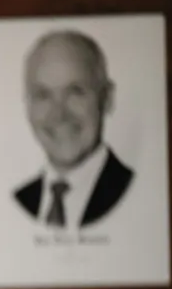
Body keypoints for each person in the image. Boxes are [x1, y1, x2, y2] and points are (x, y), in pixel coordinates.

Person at [14, 29, 134, 230]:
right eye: (43, 95)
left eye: (75, 92)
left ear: (107, 98)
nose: (59, 114)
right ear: (28, 105)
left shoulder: (135, 192)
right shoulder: (21, 200)